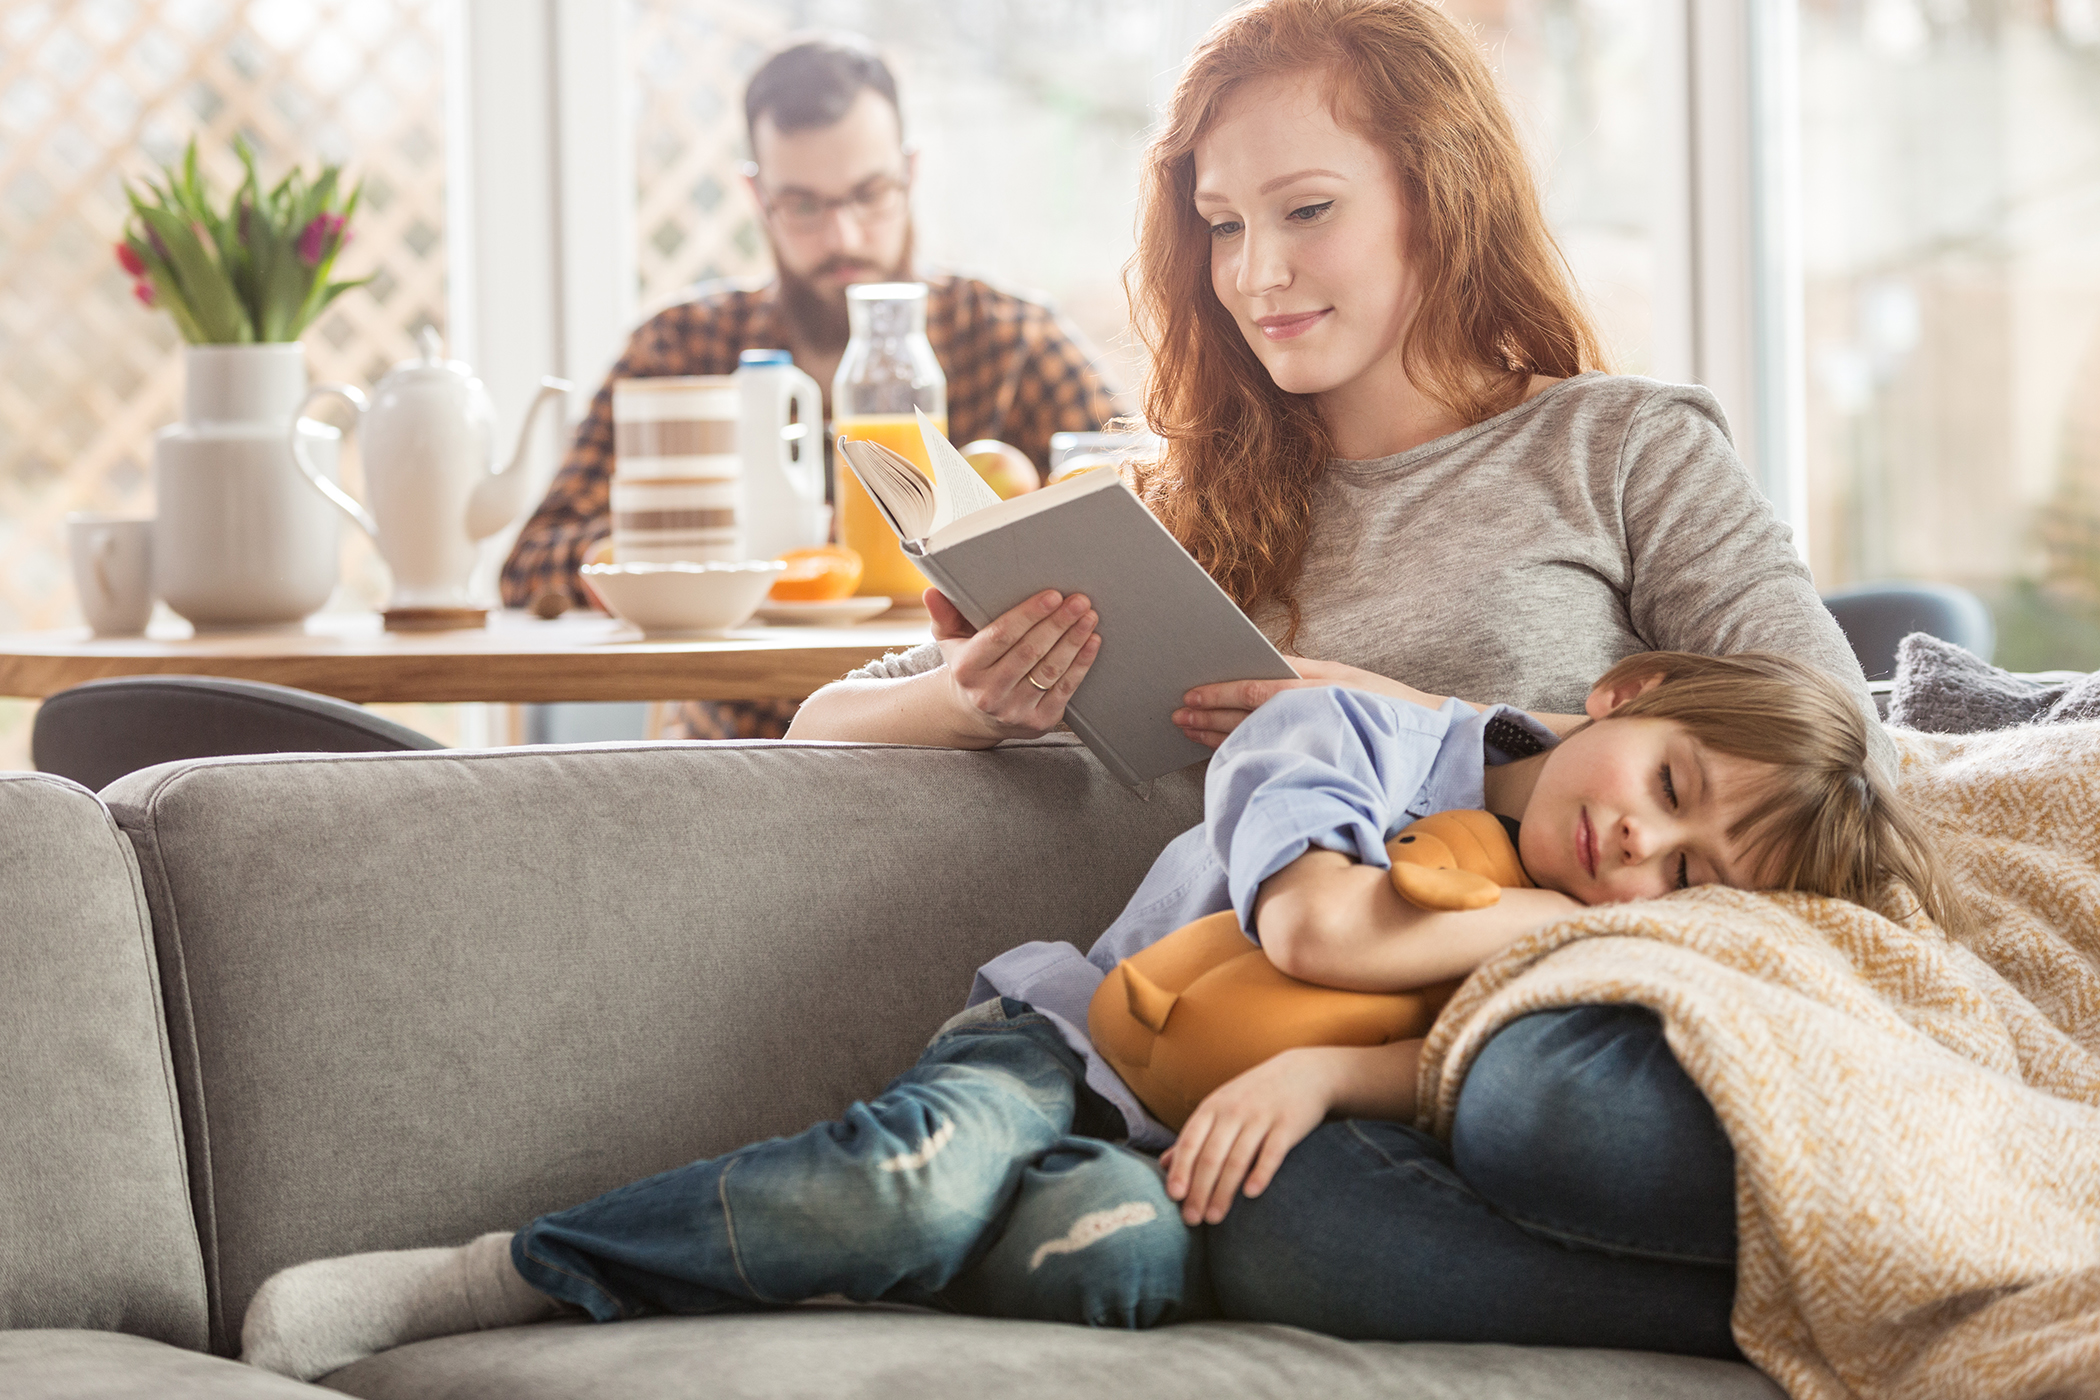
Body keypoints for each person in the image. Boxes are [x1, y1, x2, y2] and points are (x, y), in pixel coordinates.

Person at [775, 0, 1885, 1358]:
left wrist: (1404, 712)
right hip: (1301, 1075)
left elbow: (1852, 759)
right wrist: (970, 699)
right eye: (1223, 224)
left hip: (1557, 1028)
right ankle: (1796, 1321)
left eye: (1306, 211)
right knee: (1284, 1215)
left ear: (1441, 198)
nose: (1256, 274)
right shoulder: (1168, 517)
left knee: (1542, 1102)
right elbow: (820, 720)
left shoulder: (1620, 448)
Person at [236, 648, 1960, 1382]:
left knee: (1119, 1267)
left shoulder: (1585, 957)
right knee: (908, 1183)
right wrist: (1530, 921)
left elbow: (1418, 1065)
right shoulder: (1355, 734)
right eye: (1667, 781)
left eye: (1687, 869)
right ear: (1627, 695)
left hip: (1156, 1157)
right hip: (1066, 1053)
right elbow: (1316, 921)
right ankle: (504, 1272)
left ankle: (855, 1255)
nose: (1637, 844)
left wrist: (1329, 1076)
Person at [502, 33, 1121, 737]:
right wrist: (733, 548)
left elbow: (1143, 505)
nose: (842, 235)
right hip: (737, 746)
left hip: (969, 753)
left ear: (910, 174)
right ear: (756, 196)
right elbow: (533, 562)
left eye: (870, 194)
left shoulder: (1010, 340)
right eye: (803, 206)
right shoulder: (684, 348)